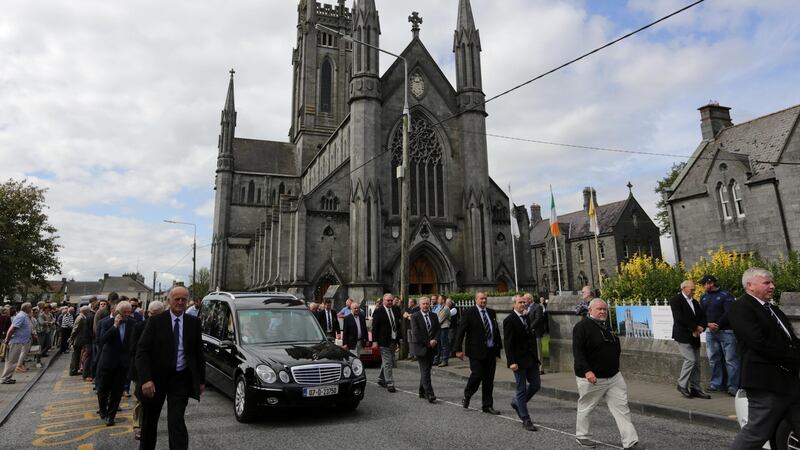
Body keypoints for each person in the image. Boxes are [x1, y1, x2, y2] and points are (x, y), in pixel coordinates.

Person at [729, 268, 800, 449]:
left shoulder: (772, 309)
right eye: (767, 283)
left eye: (772, 282)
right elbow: (759, 342)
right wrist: (793, 359)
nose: (772, 286)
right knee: (756, 434)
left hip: (789, 382)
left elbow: (790, 339)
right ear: (750, 285)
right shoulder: (741, 307)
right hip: (766, 383)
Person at [136, 286, 204, 450]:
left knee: (176, 421)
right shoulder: (156, 321)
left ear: (187, 301)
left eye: (183, 299)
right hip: (155, 379)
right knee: (149, 422)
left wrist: (201, 380)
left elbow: (198, 354)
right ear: (169, 301)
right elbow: (142, 351)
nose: (180, 302)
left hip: (180, 379)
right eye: (177, 299)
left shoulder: (193, 323)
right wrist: (146, 379)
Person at [573, 298, 639, 449]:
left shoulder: (607, 326)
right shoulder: (581, 327)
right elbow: (578, 352)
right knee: (586, 407)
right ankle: (582, 436)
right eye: (599, 309)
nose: (603, 312)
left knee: (622, 408)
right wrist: (587, 371)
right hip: (592, 378)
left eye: (604, 309)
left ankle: (630, 441)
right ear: (590, 311)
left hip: (614, 377)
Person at [454, 291, 503, 414]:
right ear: (476, 300)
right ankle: (468, 394)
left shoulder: (491, 312)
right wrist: (458, 349)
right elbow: (461, 332)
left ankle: (487, 405)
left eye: (485, 299)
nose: (484, 301)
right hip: (475, 351)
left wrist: (498, 348)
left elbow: (495, 330)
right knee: (477, 375)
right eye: (481, 299)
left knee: (489, 380)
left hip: (491, 351)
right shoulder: (469, 313)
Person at [504, 295, 540, 431]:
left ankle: (517, 403)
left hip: (531, 359)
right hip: (518, 361)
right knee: (521, 388)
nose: (523, 304)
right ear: (514, 304)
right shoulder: (509, 320)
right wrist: (511, 361)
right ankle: (526, 418)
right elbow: (508, 343)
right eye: (520, 302)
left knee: (536, 385)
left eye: (524, 302)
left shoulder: (526, 318)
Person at [698, 274, 739, 396]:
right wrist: (708, 324)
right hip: (711, 332)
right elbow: (702, 314)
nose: (704, 286)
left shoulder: (726, 295)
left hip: (726, 332)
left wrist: (718, 324)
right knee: (713, 359)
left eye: (706, 284)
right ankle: (716, 384)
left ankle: (733, 386)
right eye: (703, 284)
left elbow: (729, 313)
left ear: (711, 283)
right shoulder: (703, 297)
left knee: (731, 360)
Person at [96, 301, 136, 426]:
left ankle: (111, 415)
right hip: (107, 361)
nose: (127, 315)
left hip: (123, 364)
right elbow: (102, 340)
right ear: (118, 311)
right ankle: (103, 410)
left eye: (129, 312)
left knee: (117, 391)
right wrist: (115, 326)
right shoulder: (106, 322)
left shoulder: (133, 323)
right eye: (125, 312)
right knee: (102, 390)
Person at [130, 301, 165, 441]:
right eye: (151, 314)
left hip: (158, 371)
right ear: (148, 313)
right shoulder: (139, 327)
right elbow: (133, 350)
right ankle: (137, 426)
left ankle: (148, 425)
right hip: (141, 370)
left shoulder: (165, 327)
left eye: (156, 314)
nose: (153, 317)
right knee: (140, 399)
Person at [670, 280, 710, 399]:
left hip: (695, 335)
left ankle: (695, 388)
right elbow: (679, 318)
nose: (694, 291)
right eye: (691, 289)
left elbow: (702, 316)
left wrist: (701, 327)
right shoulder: (676, 300)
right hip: (683, 335)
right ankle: (682, 384)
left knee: (697, 363)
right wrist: (694, 328)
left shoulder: (695, 302)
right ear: (684, 288)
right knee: (690, 360)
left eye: (694, 289)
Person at [410, 296, 439, 403]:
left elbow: (438, 330)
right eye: (423, 304)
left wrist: (435, 340)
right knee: (425, 370)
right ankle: (430, 394)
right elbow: (416, 333)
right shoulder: (415, 316)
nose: (426, 306)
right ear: (420, 305)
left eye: (427, 303)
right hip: (421, 348)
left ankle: (421, 391)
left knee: (426, 370)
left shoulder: (434, 315)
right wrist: (428, 343)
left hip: (432, 347)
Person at [372, 293, 402, 393]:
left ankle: (381, 379)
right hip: (383, 341)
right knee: (388, 362)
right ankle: (390, 383)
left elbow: (398, 324)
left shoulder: (396, 309)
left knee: (387, 361)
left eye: (391, 300)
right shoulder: (378, 311)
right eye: (387, 300)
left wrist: (399, 338)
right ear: (383, 301)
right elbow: (374, 327)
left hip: (393, 340)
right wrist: (375, 341)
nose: (389, 302)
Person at [1, 303, 33, 384]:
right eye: (30, 307)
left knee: (13, 361)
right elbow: (12, 328)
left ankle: (7, 377)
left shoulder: (23, 316)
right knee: (11, 361)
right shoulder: (21, 316)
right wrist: (7, 340)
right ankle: (4, 378)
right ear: (27, 308)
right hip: (15, 342)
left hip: (19, 341)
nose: (31, 309)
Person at [69, 306, 91, 376]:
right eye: (88, 311)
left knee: (78, 356)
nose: (89, 312)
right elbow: (75, 329)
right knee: (76, 356)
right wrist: (71, 338)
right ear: (85, 311)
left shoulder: (82, 317)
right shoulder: (80, 318)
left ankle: (75, 369)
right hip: (78, 339)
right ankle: (73, 370)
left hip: (80, 339)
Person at [527, 293, 547, 375]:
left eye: (525, 299)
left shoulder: (537, 306)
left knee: (538, 351)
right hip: (528, 333)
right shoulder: (526, 307)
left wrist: (529, 327)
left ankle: (540, 369)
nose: (524, 301)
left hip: (536, 332)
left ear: (530, 299)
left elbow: (538, 319)